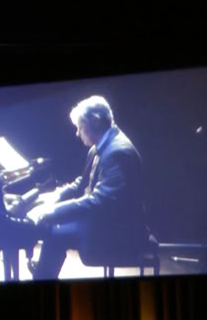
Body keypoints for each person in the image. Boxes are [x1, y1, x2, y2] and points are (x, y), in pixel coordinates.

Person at [25, 95, 149, 280]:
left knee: (54, 232)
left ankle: (42, 276)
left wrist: (53, 211)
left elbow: (100, 200)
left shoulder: (118, 151)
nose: (77, 133)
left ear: (95, 123)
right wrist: (54, 197)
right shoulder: (101, 146)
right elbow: (81, 184)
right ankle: (43, 273)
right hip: (108, 223)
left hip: (122, 233)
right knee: (54, 227)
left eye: (80, 127)